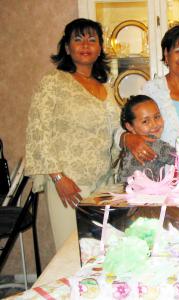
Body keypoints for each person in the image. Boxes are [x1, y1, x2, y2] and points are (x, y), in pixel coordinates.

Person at [25, 18, 120, 250]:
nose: (85, 45)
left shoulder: (104, 87)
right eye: (78, 39)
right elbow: (38, 131)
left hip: (103, 183)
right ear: (67, 47)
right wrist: (58, 178)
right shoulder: (53, 82)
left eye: (92, 40)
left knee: (100, 250)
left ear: (100, 49)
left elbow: (115, 132)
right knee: (71, 252)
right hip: (69, 184)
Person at [121, 25, 179, 163]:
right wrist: (127, 138)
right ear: (166, 54)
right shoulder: (151, 90)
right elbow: (128, 125)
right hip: (160, 174)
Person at [117, 95, 175, 183]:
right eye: (145, 121)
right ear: (129, 126)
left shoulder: (130, 144)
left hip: (124, 191)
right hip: (142, 194)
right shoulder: (152, 142)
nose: (154, 124)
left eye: (157, 117)